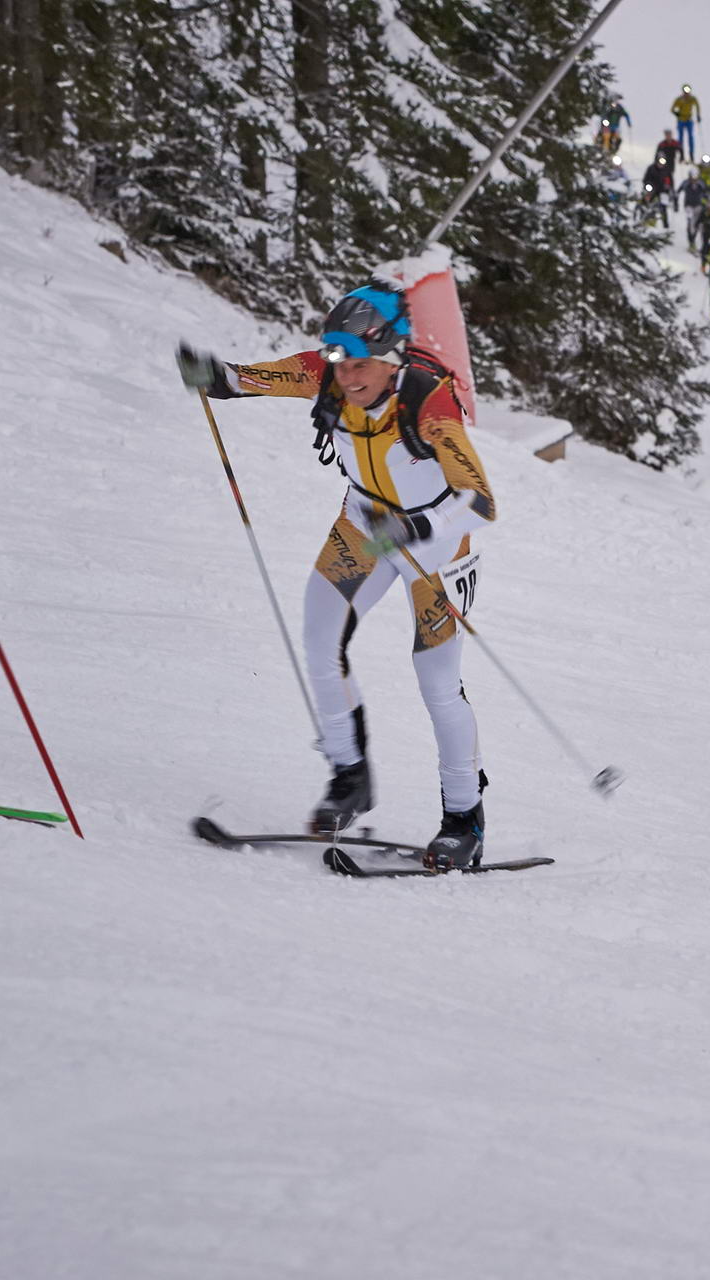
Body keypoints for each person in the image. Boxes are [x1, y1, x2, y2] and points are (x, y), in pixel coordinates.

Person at [174, 285, 496, 868]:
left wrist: (415, 529)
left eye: (361, 364)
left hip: (438, 546)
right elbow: (254, 377)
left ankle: (463, 818)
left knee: (436, 681)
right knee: (321, 637)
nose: (348, 377)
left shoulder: (429, 402)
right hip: (363, 524)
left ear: (392, 355)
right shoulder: (329, 375)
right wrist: (214, 375)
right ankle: (351, 777)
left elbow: (479, 500)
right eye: (340, 362)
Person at [675, 166, 710, 252]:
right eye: (692, 177)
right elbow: (678, 192)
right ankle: (691, 242)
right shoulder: (686, 183)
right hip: (688, 205)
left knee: (697, 224)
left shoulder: (701, 183)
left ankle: (693, 240)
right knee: (690, 223)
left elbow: (706, 193)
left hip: (698, 206)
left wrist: (707, 203)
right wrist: (676, 203)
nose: (694, 179)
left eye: (695, 177)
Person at [639, 153, 675, 224]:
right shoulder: (651, 168)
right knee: (645, 202)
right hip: (652, 189)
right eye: (659, 162)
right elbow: (645, 179)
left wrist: (669, 188)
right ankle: (642, 218)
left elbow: (671, 182)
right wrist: (648, 186)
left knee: (663, 205)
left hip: (662, 190)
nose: (660, 164)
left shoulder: (667, 170)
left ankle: (665, 223)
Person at [670, 83, 700, 156]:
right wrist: (676, 113)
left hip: (689, 119)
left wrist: (698, 115)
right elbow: (672, 109)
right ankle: (681, 154)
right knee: (680, 137)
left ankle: (691, 154)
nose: (686, 93)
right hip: (681, 119)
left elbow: (697, 106)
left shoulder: (692, 99)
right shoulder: (679, 99)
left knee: (690, 137)